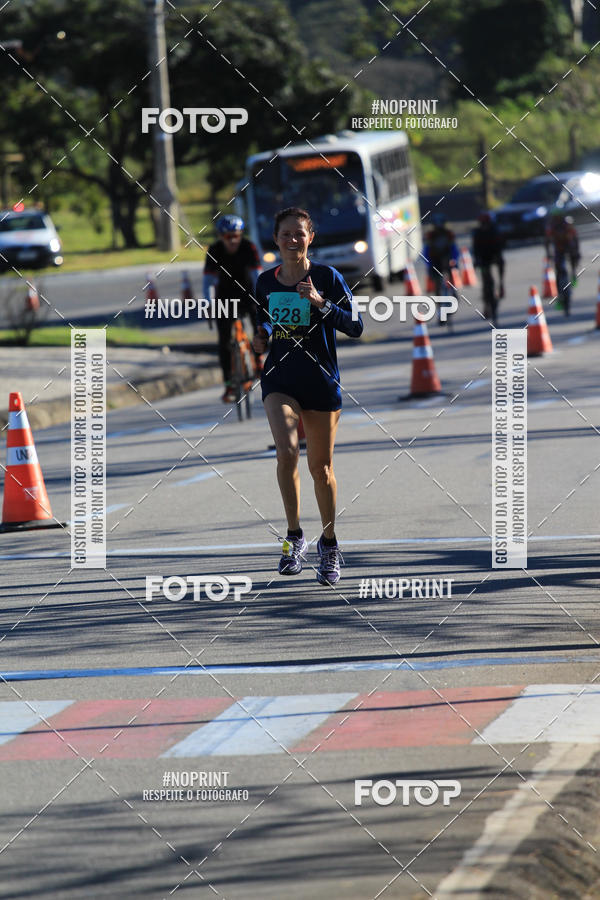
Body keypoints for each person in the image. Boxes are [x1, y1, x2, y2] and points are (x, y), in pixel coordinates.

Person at [252, 207, 363, 586]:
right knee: (286, 453)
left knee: (321, 469)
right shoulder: (264, 281)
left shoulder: (328, 277)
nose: (292, 240)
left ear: (310, 237)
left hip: (320, 382)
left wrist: (320, 302)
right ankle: (294, 536)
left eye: (299, 233)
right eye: (285, 234)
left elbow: (356, 326)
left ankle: (328, 544)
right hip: (279, 379)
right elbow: (264, 319)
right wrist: (262, 336)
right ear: (275, 239)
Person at [203, 215, 262, 401]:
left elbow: (257, 275)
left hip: (248, 294)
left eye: (236, 235)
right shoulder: (214, 250)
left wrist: (260, 298)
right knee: (224, 341)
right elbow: (208, 282)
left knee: (259, 324)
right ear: (221, 237)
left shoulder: (248, 247)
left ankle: (259, 359)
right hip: (224, 297)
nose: (233, 240)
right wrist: (208, 303)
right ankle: (229, 384)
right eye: (228, 237)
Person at [423, 212, 460, 326]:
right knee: (437, 286)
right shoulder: (430, 235)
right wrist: (429, 264)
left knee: (451, 274)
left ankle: (453, 292)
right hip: (435, 262)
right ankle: (440, 311)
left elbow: (454, 249)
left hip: (447, 260)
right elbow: (426, 251)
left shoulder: (449, 234)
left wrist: (454, 260)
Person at [472, 212, 505, 326]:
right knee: (486, 280)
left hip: (494, 256)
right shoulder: (477, 233)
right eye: (483, 223)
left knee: (501, 264)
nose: (485, 226)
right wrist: (476, 261)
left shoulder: (495, 231)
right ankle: (486, 303)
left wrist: (498, 258)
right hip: (483, 260)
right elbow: (475, 249)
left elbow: (500, 247)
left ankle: (501, 285)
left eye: (486, 223)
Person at [544, 210, 580, 316]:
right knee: (559, 271)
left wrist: (576, 252)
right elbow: (547, 241)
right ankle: (560, 295)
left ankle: (574, 273)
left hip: (569, 249)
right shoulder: (551, 226)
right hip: (559, 251)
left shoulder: (567, 223)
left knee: (573, 261)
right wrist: (549, 254)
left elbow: (575, 239)